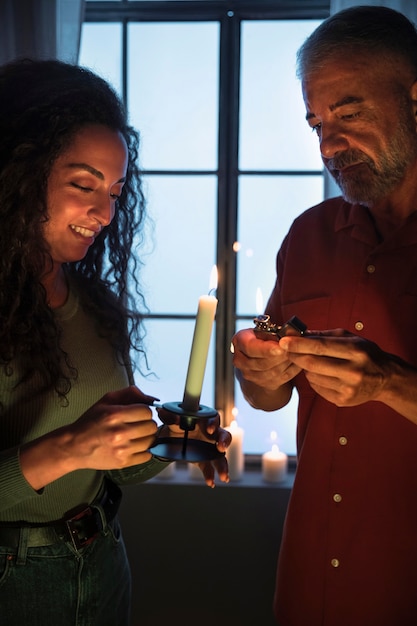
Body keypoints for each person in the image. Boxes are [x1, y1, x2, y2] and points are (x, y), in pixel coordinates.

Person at [0, 57, 230, 626]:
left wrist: (167, 440)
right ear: (17, 172)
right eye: (84, 184)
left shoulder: (93, 304)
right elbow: (74, 451)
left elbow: (113, 469)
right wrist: (72, 445)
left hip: (102, 560)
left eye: (116, 190)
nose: (104, 212)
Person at [231, 5, 417, 626]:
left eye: (350, 113)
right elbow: (268, 398)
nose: (329, 143)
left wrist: (392, 384)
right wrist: (258, 375)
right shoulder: (308, 235)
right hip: (310, 570)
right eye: (316, 123)